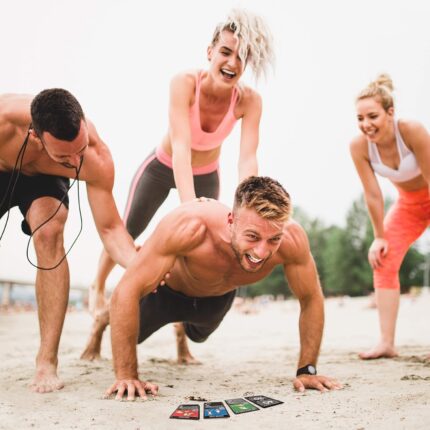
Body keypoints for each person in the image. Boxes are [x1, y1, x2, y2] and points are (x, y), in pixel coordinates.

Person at [82, 176, 341, 400]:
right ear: (231, 220)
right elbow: (126, 291)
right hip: (166, 292)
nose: (262, 252)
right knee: (128, 332)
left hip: (217, 298)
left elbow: (310, 298)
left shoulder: (292, 240)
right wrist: (127, 376)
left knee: (199, 336)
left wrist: (307, 370)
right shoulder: (190, 225)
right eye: (252, 236)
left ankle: (182, 334)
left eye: (273, 239)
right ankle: (98, 327)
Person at [89, 8, 275, 317]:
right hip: (163, 166)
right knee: (129, 227)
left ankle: (182, 315)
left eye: (241, 57)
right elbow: (181, 147)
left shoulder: (250, 101)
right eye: (225, 52)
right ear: (210, 52)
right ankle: (97, 286)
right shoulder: (185, 82)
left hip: (207, 173)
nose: (231, 63)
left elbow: (247, 158)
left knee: (201, 244)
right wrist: (191, 208)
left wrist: (247, 206)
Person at [0, 89, 137, 392]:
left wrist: (141, 265)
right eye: (66, 155)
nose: (77, 161)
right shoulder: (4, 120)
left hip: (44, 179)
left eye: (81, 148)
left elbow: (112, 230)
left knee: (50, 232)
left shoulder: (95, 157)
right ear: (35, 136)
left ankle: (46, 361)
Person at [350, 74, 430, 359]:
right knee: (383, 260)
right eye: (360, 118)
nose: (365, 124)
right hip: (410, 205)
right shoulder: (359, 147)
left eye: (372, 116)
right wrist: (379, 236)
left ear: (390, 113)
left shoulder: (411, 130)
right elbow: (373, 195)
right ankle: (386, 342)